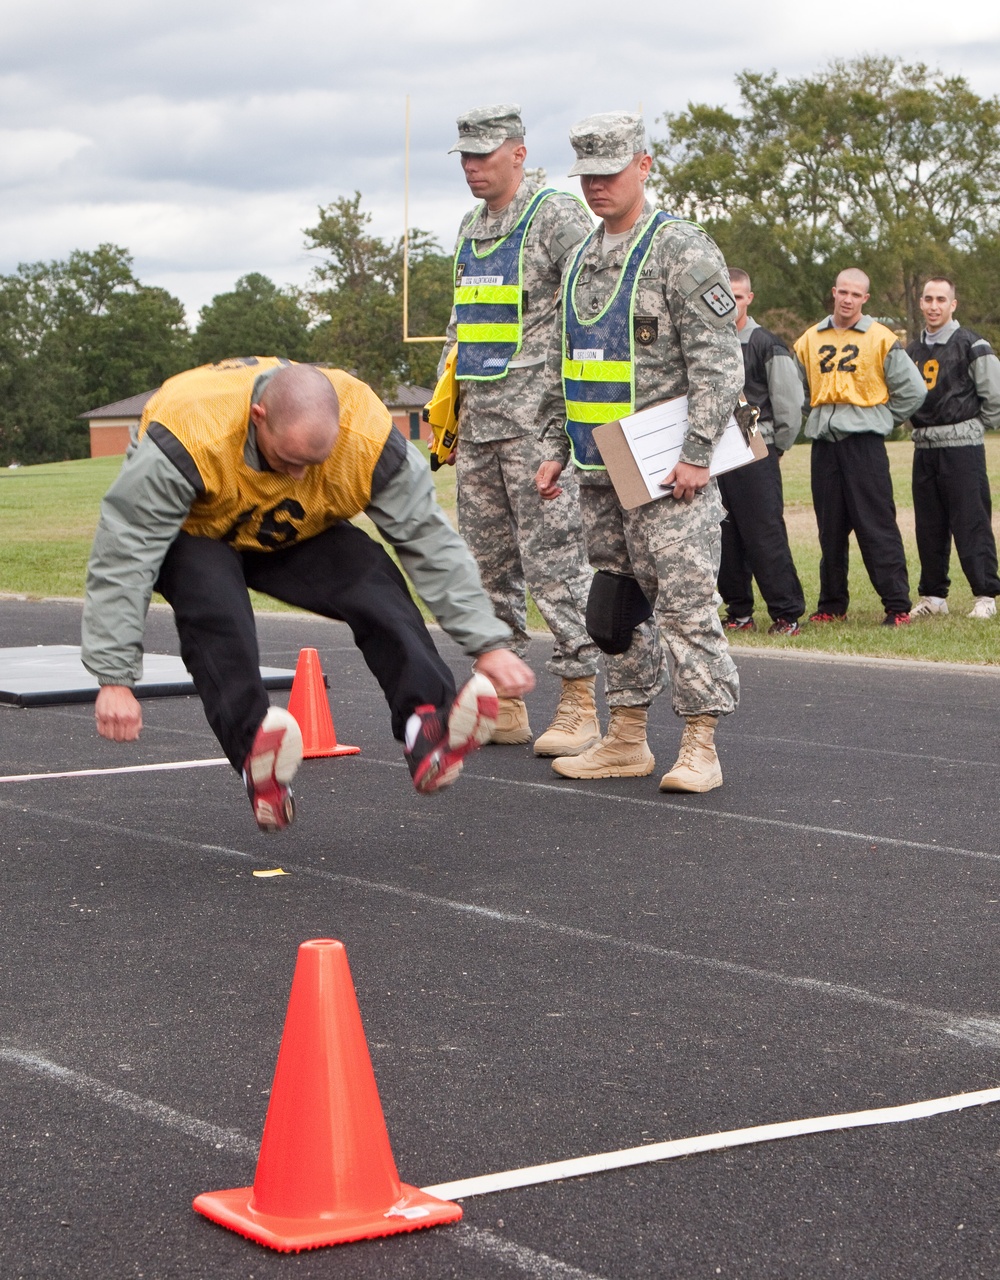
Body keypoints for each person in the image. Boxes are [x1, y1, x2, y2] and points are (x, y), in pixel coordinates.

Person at [82, 358, 534, 831]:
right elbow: (124, 556)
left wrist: (488, 643)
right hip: (199, 531)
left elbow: (429, 540)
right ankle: (257, 753)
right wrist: (115, 678)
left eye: (312, 463)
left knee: (373, 581)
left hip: (292, 530)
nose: (297, 475)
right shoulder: (187, 433)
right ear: (258, 417)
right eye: (287, 460)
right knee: (216, 610)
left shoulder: (368, 436)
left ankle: (427, 725)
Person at [534, 112, 743, 793]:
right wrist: (557, 447)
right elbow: (572, 362)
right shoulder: (581, 259)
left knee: (685, 606)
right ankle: (625, 737)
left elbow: (719, 362)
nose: (597, 186)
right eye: (587, 175)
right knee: (615, 609)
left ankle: (701, 745)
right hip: (600, 470)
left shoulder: (680, 249)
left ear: (643, 167)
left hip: (667, 472)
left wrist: (699, 451)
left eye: (610, 172)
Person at [443, 104, 602, 758]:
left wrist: (574, 422)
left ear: (518, 152)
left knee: (557, 565)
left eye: (485, 155)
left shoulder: (557, 215)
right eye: (465, 158)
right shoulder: (470, 225)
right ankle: (503, 698)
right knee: (486, 566)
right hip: (479, 424)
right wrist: (446, 406)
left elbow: (594, 306)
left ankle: (579, 698)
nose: (474, 168)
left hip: (540, 429)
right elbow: (463, 322)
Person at [793, 268, 927, 626]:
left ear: (865, 299)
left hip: (864, 447)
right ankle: (832, 604)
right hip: (825, 446)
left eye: (856, 294)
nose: (848, 299)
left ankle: (897, 605)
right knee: (830, 530)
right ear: (833, 292)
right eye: (843, 293)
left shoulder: (880, 338)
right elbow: (800, 390)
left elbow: (914, 390)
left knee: (876, 525)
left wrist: (882, 420)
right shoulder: (809, 339)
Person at [905, 277, 1000, 619]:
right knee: (929, 523)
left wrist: (974, 426)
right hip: (925, 446)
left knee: (970, 520)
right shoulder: (911, 350)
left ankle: (986, 594)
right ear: (920, 302)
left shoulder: (971, 343)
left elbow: (995, 396)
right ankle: (934, 596)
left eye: (941, 299)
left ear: (953, 304)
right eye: (928, 298)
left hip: (962, 446)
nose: (934, 305)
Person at [717, 268, 805, 635]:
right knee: (724, 534)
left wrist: (775, 447)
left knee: (764, 533)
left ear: (749, 298)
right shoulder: (708, 341)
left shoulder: (766, 344)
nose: (730, 303)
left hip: (755, 448)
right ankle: (739, 611)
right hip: (717, 452)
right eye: (724, 295)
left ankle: (787, 613)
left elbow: (790, 405)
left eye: (738, 296)